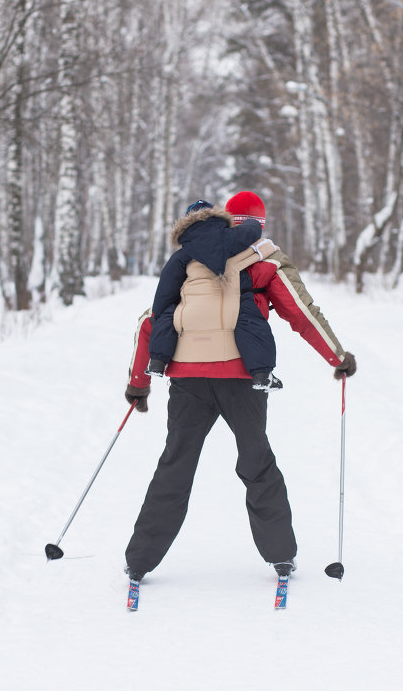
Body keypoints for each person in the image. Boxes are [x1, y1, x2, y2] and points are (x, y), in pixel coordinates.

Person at [124, 190, 357, 584]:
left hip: (187, 378)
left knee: (175, 465)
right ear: (256, 224)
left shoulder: (187, 259)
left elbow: (153, 320)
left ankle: (140, 560)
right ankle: (281, 556)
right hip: (242, 379)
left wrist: (138, 384)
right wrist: (337, 357)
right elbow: (302, 313)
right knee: (257, 462)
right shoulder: (264, 260)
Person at [147, 198, 282, 391]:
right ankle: (262, 374)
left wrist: (159, 316)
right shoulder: (231, 237)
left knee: (168, 315)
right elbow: (250, 232)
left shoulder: (182, 254)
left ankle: (157, 361)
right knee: (250, 320)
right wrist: (251, 222)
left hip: (191, 308)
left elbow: (165, 290)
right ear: (217, 218)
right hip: (229, 300)